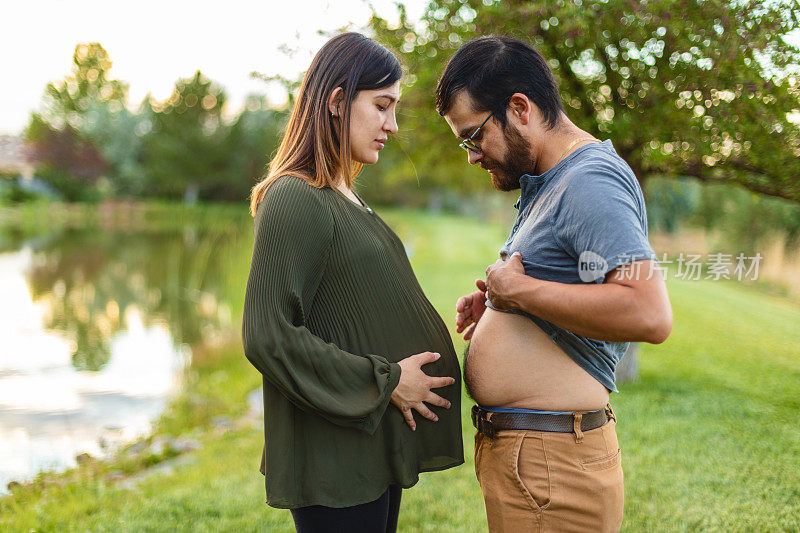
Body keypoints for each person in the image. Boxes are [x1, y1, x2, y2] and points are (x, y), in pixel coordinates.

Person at [436, 35, 673, 532]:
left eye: (474, 136)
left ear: (519, 108)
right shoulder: (552, 181)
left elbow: (648, 313)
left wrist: (520, 294)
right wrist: (506, 307)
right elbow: (572, 288)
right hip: (537, 461)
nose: (473, 156)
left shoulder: (589, 180)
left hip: (553, 467)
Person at [241, 32, 463, 533]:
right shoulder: (294, 197)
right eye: (382, 106)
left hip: (370, 447)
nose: (393, 125)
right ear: (338, 101)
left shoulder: (346, 199)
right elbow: (266, 333)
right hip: (334, 461)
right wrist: (387, 382)